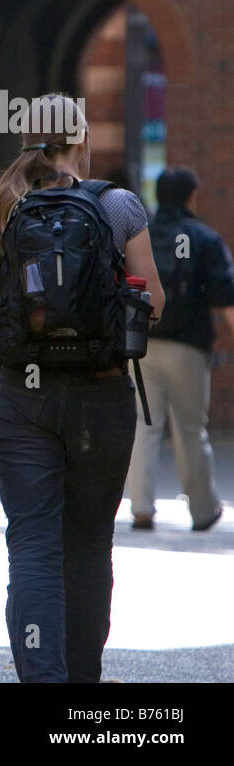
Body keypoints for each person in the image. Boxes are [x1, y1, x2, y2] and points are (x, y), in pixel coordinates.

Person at [0, 93, 165, 683]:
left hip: (22, 398)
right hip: (102, 394)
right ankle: (81, 686)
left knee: (33, 544)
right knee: (90, 545)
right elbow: (154, 307)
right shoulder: (119, 205)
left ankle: (42, 676)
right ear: (81, 141)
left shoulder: (0, 208)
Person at [126, 166, 234, 531]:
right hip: (189, 346)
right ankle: (202, 511)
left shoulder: (143, 236)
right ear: (193, 196)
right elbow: (225, 296)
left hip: (143, 342)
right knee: (191, 428)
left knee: (144, 424)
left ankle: (141, 507)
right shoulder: (205, 239)